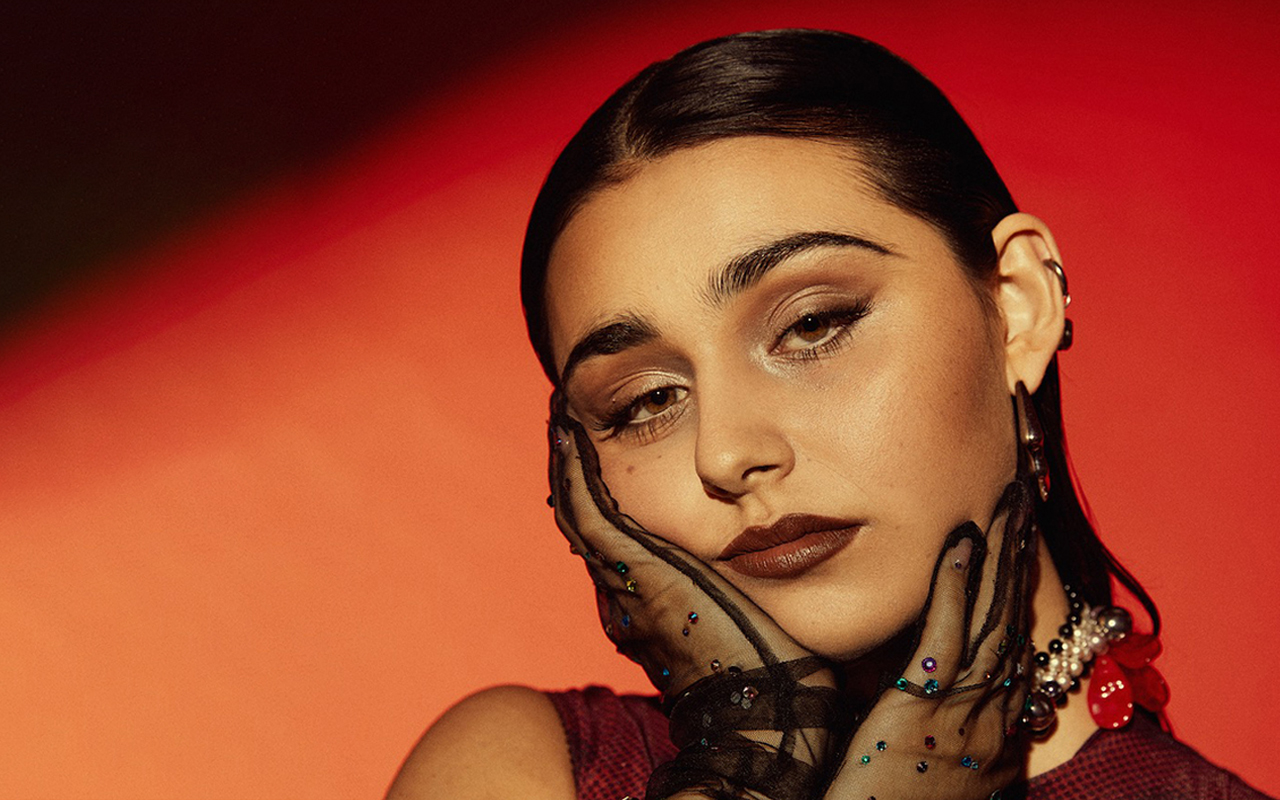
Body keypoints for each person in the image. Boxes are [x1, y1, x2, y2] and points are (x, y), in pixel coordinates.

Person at [387, 29, 1271, 799]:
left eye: (813, 325)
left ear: (1018, 305)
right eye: (647, 401)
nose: (727, 453)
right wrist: (751, 762)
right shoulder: (524, 766)